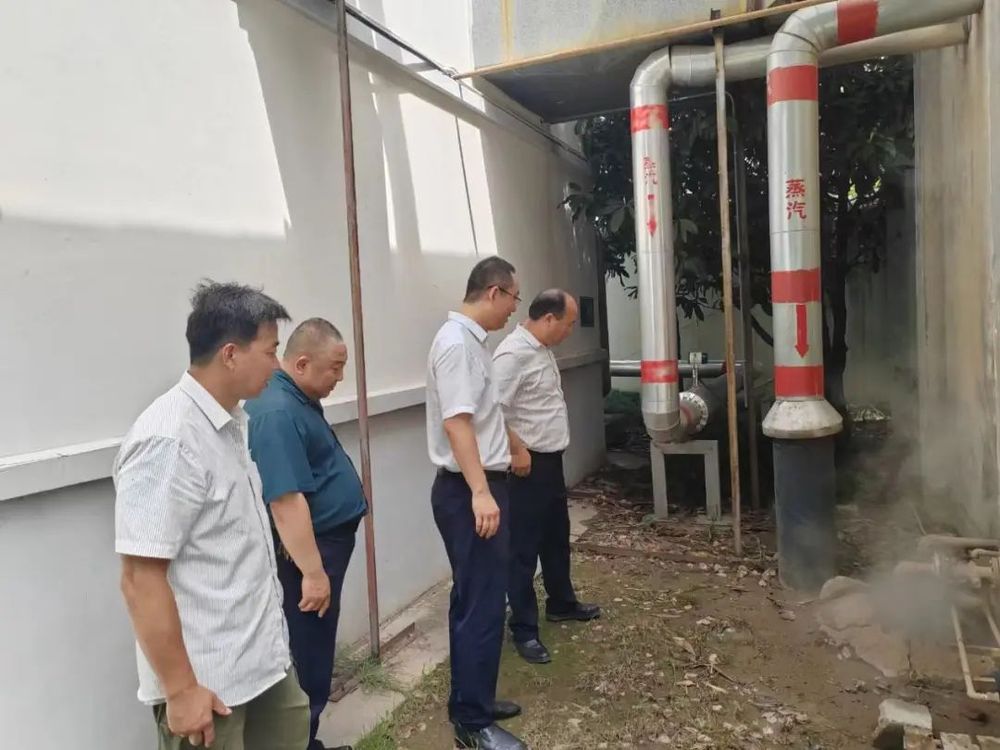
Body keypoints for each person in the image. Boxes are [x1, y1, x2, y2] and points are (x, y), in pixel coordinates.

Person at [114, 281, 309, 750]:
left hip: (262, 663)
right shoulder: (169, 439)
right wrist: (182, 691)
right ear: (230, 355)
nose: (277, 365)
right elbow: (140, 578)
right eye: (271, 351)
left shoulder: (231, 423)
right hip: (210, 687)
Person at [246, 318, 367, 750]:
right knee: (309, 656)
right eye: (335, 367)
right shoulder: (277, 411)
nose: (340, 377)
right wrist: (314, 574)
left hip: (322, 549)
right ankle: (300, 742)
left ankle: (306, 742)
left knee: (315, 651)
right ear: (301, 363)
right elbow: (285, 501)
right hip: (310, 556)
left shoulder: (297, 398)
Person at [426, 256, 530, 750]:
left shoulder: (472, 343)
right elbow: (457, 423)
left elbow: (482, 415)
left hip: (479, 484)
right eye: (513, 298)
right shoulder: (456, 344)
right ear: (494, 292)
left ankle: (473, 699)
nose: (514, 309)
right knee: (482, 604)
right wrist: (481, 492)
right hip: (470, 490)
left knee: (476, 598)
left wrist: (512, 444)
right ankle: (472, 723)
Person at [493, 289, 601, 665]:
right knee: (522, 550)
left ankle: (561, 603)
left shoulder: (541, 349)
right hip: (527, 466)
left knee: (555, 538)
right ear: (549, 319)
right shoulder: (512, 354)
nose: (570, 331)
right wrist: (517, 450)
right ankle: (524, 629)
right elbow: (491, 410)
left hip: (551, 462)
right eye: (569, 324)